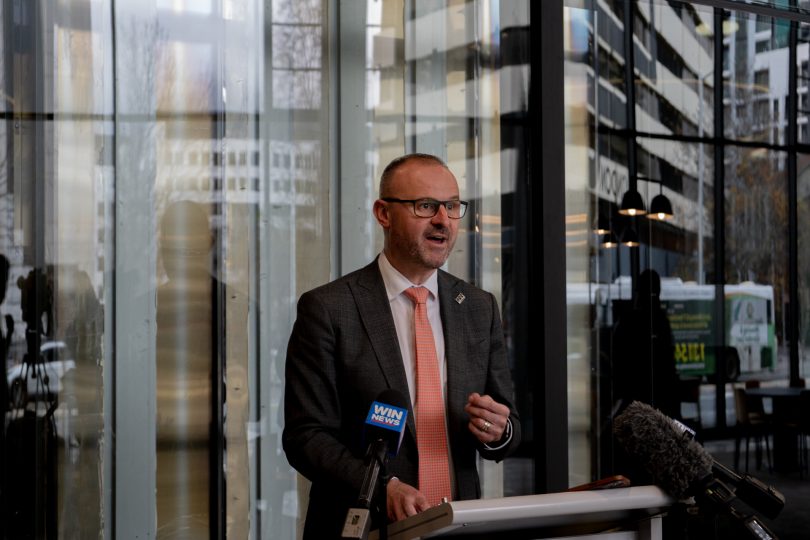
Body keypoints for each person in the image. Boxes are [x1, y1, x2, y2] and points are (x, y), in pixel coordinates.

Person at [283, 153, 521, 538]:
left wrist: (499, 430)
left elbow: (509, 425)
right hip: (368, 528)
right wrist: (383, 487)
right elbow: (306, 436)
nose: (443, 220)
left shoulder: (478, 307)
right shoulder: (329, 309)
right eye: (425, 206)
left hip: (458, 524)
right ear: (384, 213)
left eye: (452, 206)